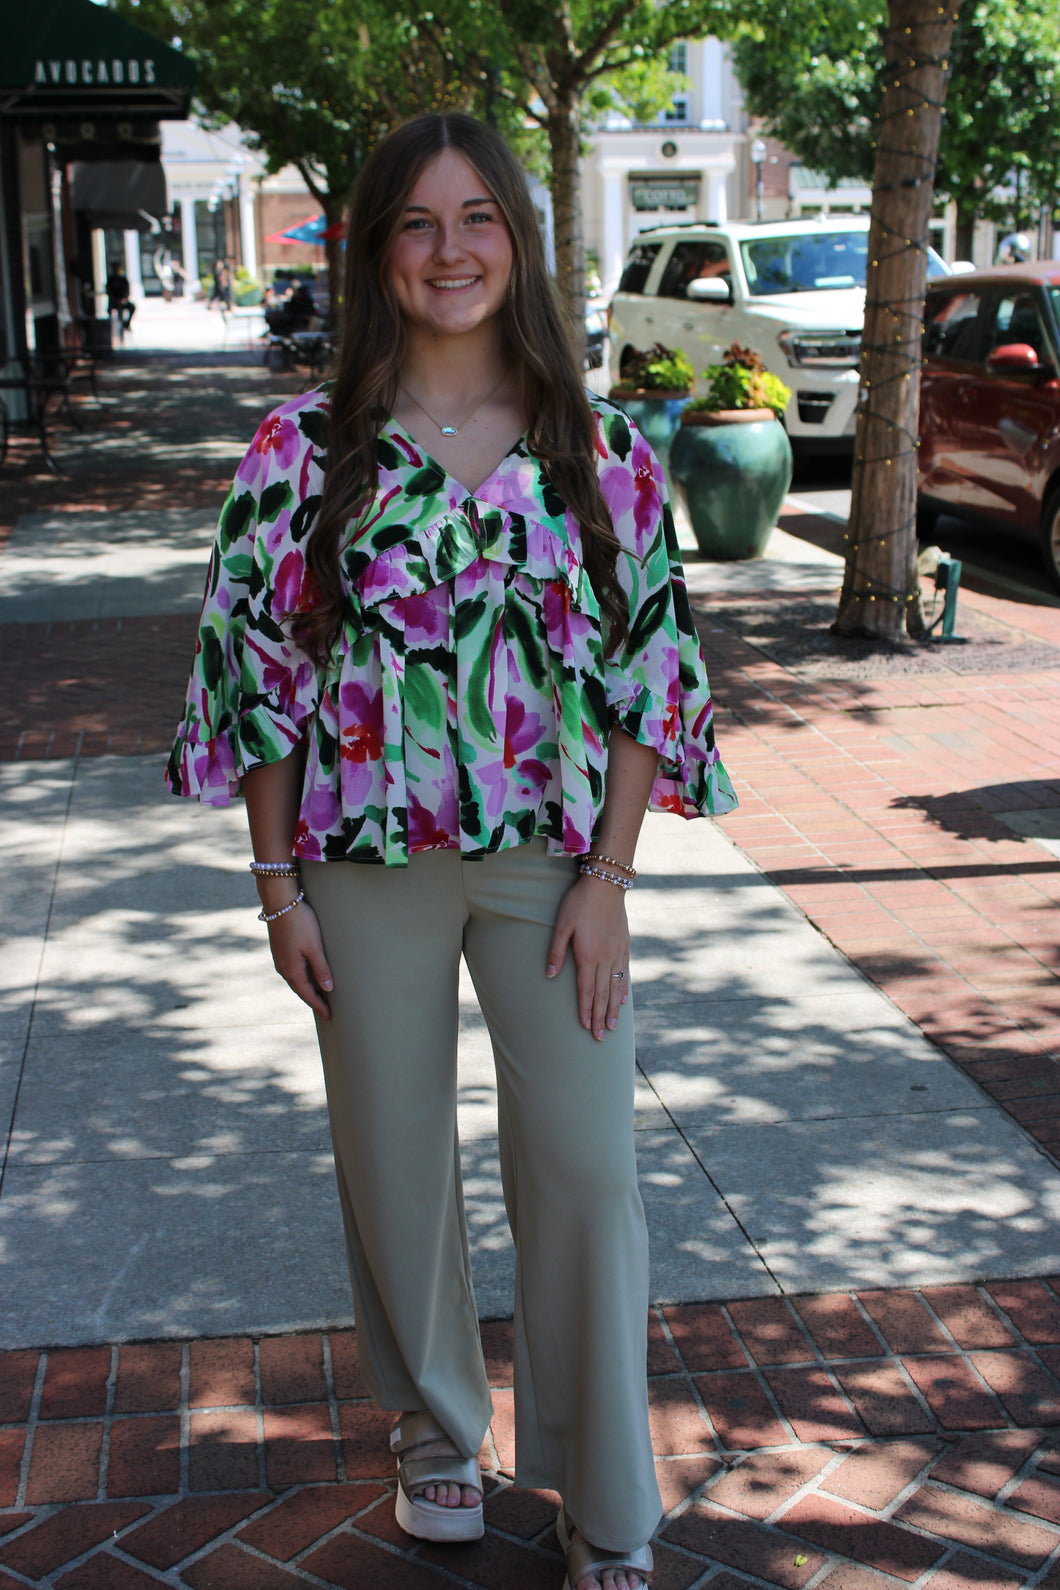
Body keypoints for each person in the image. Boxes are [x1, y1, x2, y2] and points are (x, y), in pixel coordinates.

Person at [168, 111, 735, 1590]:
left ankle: (605, 1496)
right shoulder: (303, 452)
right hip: (361, 865)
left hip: (552, 867)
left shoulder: (597, 448)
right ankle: (434, 1432)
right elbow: (259, 675)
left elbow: (649, 672)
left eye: (478, 216)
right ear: (377, 253)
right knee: (395, 1159)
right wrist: (276, 886)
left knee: (585, 1167)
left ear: (519, 243)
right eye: (416, 222)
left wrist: (612, 880)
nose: (450, 249)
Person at [105, 262, 134, 333]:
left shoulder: (123, 279)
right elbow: (108, 292)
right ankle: (110, 328)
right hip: (113, 302)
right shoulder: (111, 280)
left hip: (122, 300)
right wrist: (114, 300)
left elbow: (127, 291)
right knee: (109, 310)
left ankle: (127, 324)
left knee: (132, 307)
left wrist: (124, 299)